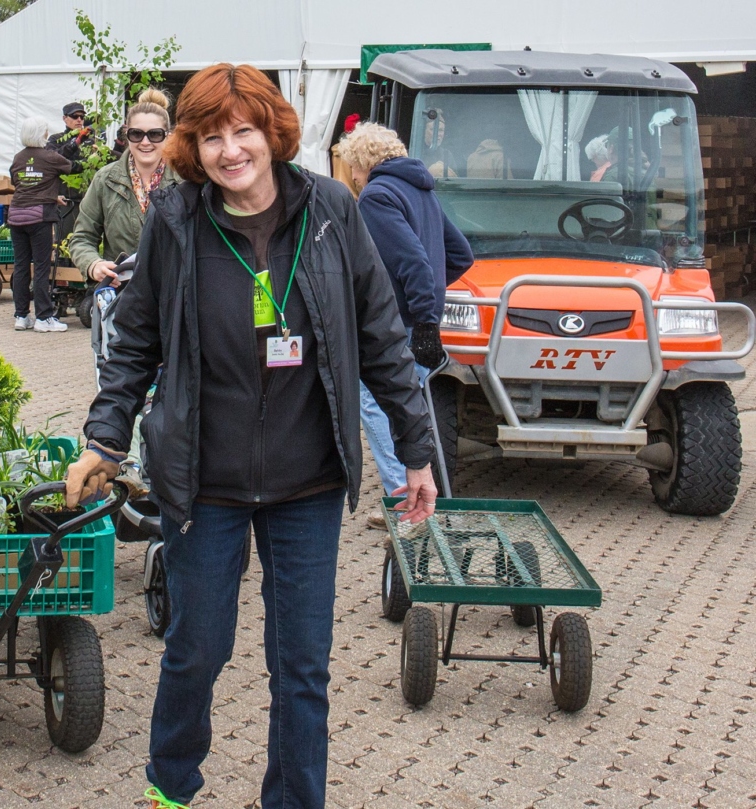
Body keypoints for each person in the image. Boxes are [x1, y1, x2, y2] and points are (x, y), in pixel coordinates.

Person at [62, 63, 438, 809]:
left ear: (272, 132)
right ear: (190, 148)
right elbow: (134, 341)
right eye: (209, 137)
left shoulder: (333, 210)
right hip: (206, 481)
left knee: (302, 665)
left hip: (309, 482)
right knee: (196, 650)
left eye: (242, 131)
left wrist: (416, 449)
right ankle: (170, 788)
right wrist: (105, 440)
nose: (230, 150)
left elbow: (384, 337)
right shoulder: (175, 219)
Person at [338, 122, 473, 526]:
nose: (353, 179)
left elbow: (414, 263)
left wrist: (423, 314)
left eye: (353, 170)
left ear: (363, 162)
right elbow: (460, 255)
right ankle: (419, 495)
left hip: (398, 324)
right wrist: (429, 301)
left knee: (375, 402)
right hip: (418, 321)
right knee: (411, 408)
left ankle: (406, 498)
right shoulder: (422, 190)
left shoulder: (377, 197)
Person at [69, 88, 179, 287]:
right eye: (137, 134)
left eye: (155, 134)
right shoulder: (105, 180)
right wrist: (94, 264)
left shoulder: (185, 180)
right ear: (127, 134)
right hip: (123, 296)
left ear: (168, 136)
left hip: (174, 297)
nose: (145, 142)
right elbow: (82, 237)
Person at [8, 117, 73, 333]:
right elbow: (74, 167)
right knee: (42, 267)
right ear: (42, 135)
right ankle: (43, 318)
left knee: (21, 267)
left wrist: (52, 196)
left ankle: (21, 315)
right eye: (45, 132)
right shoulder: (50, 157)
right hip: (39, 218)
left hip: (16, 216)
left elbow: (19, 184)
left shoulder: (18, 158)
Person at [46, 101, 93, 267]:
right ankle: (63, 280)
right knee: (64, 241)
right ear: (65, 118)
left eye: (82, 116)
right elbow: (54, 161)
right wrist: (76, 143)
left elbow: (100, 161)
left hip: (87, 199)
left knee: (87, 240)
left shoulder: (89, 140)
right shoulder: (56, 139)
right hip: (65, 200)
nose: (79, 120)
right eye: (75, 116)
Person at [422, 108, 458, 179]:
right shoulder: (413, 153)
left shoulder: (447, 155)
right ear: (424, 131)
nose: (437, 134)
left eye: (441, 130)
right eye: (432, 129)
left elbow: (455, 182)